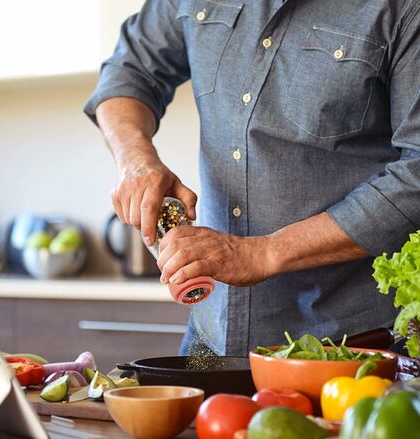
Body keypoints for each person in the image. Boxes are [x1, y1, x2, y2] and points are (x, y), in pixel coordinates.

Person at [84, 0, 420, 356]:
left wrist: (262, 253)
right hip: (210, 335)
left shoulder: (402, 8)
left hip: (344, 343)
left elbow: (415, 177)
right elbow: (127, 70)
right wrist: (136, 159)